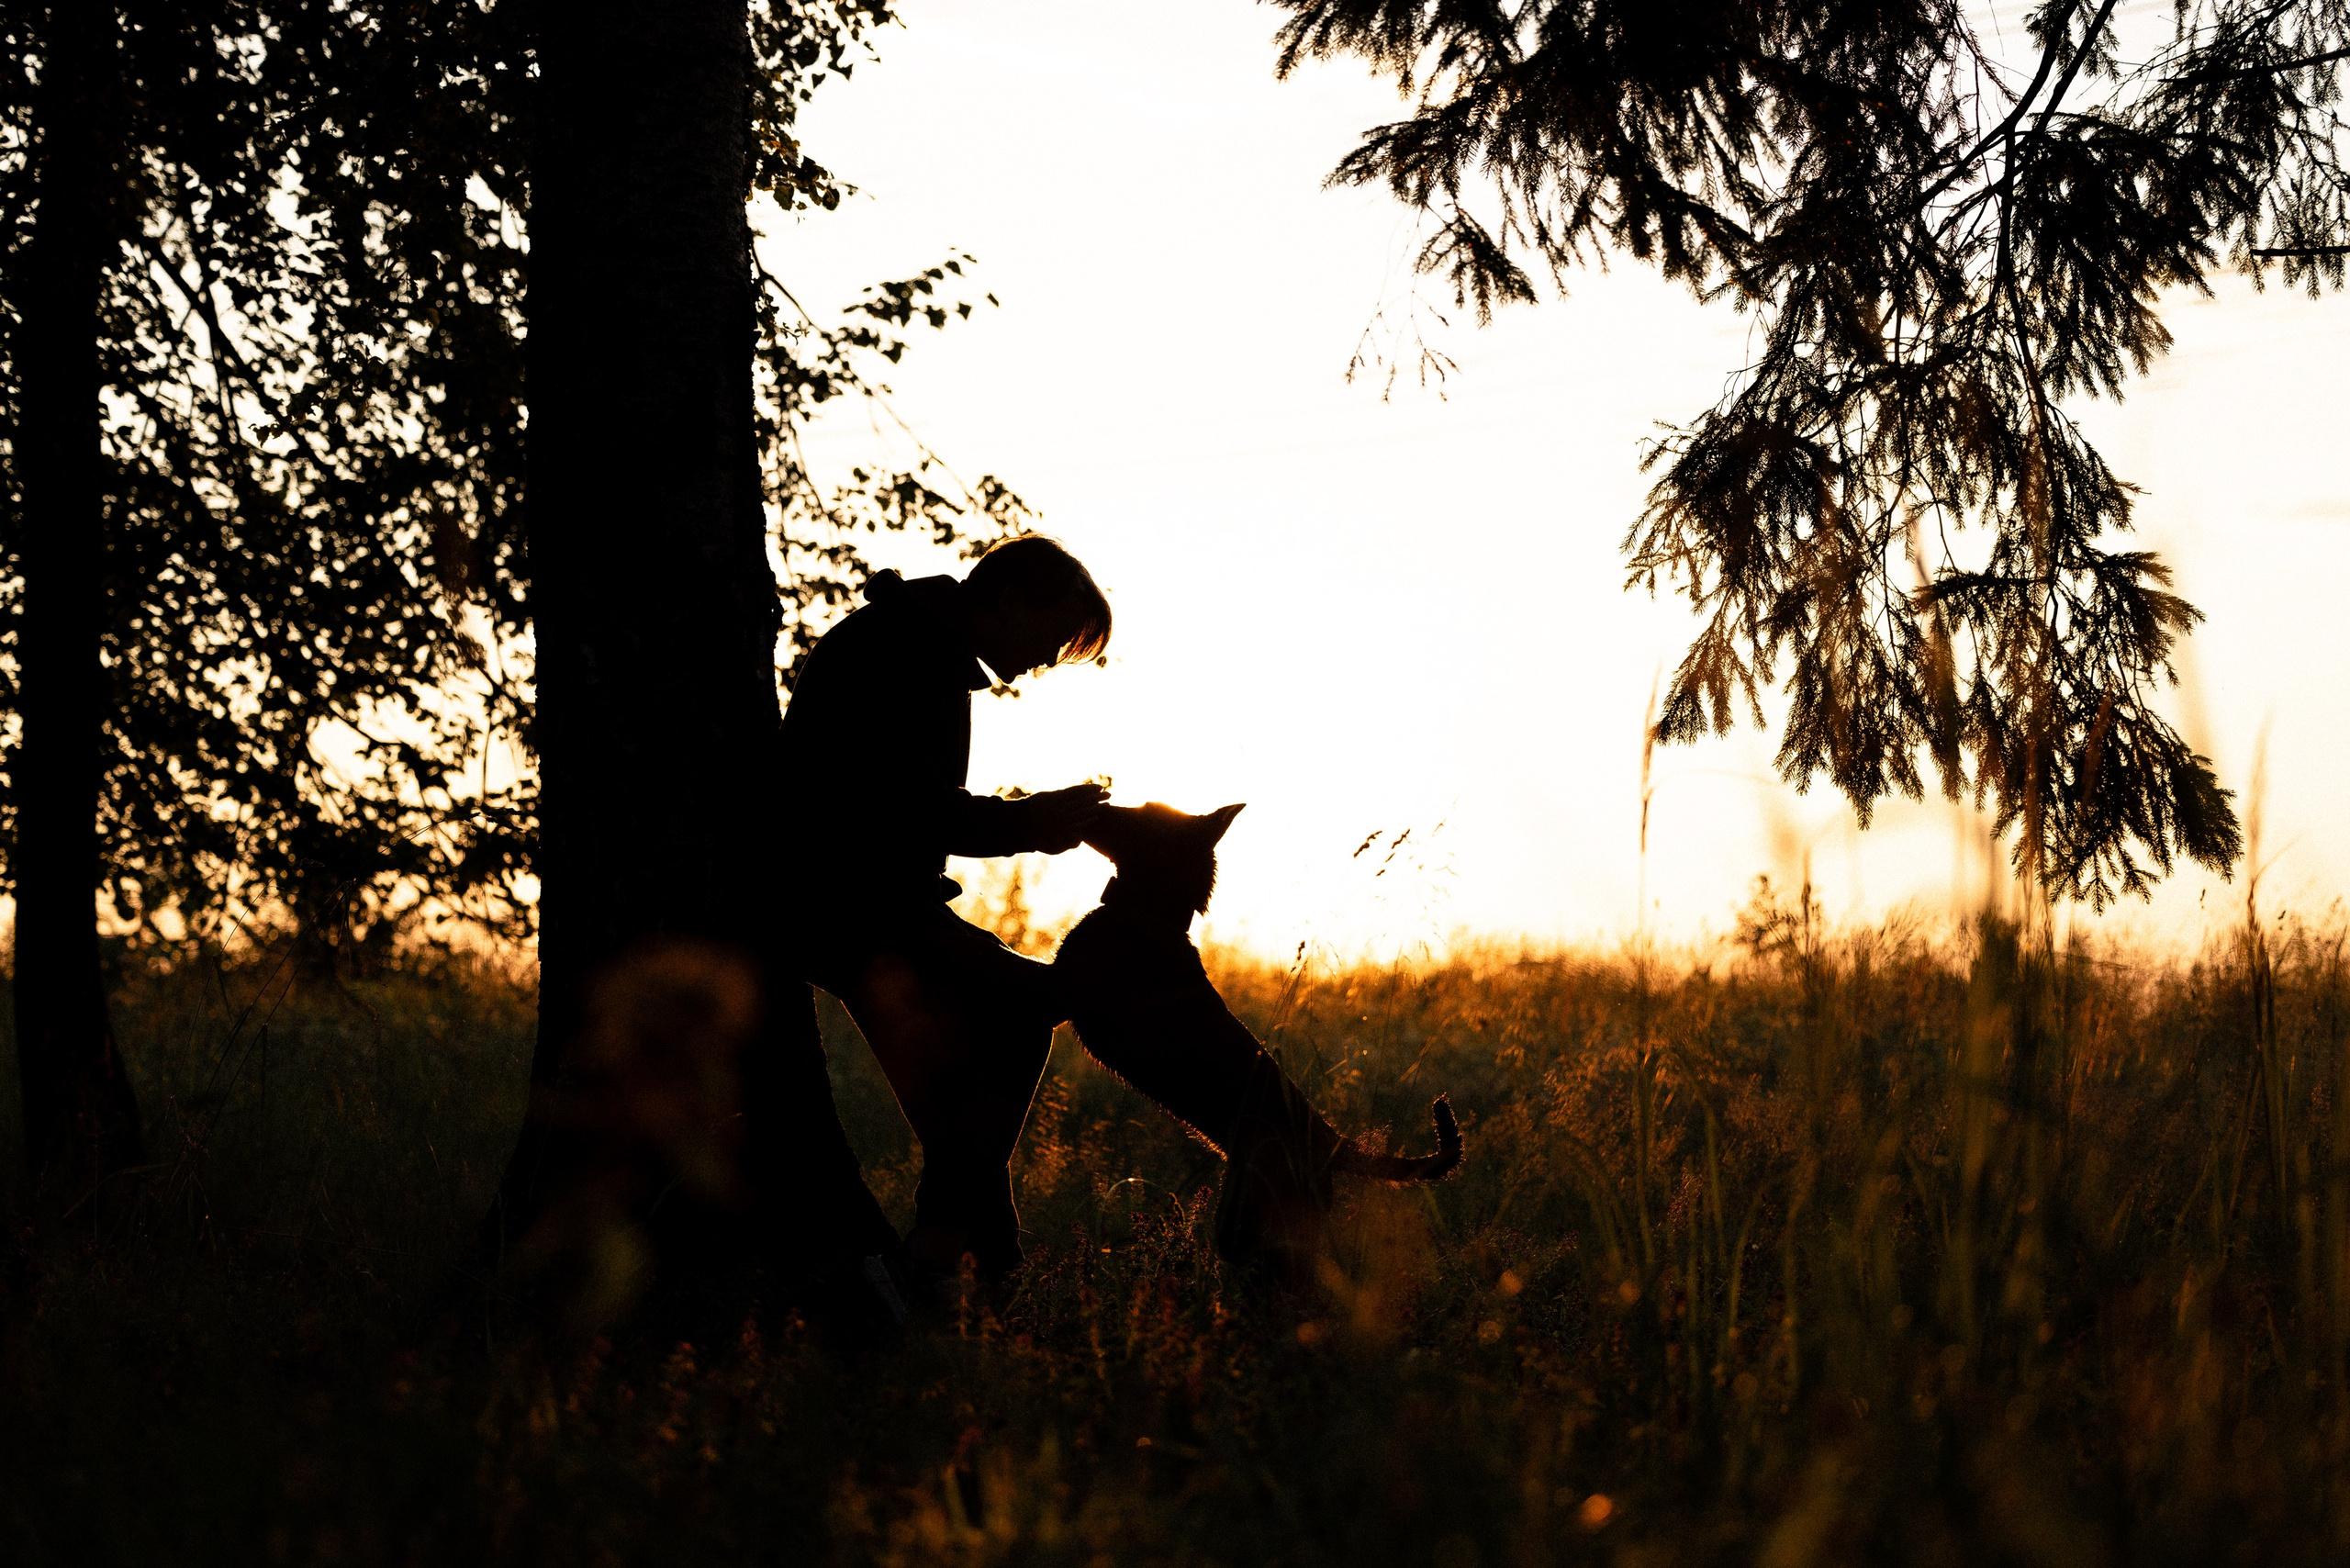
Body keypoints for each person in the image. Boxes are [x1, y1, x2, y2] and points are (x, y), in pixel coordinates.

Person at [778, 536, 1111, 1290]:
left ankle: (979, 1267)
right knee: (1029, 1007)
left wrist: (1032, 822)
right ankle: (937, 1257)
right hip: (847, 904)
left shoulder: (916, 647)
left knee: (959, 1090)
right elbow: (906, 811)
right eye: (1051, 636)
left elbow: (908, 810)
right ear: (1008, 601)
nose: (1046, 658)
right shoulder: (906, 654)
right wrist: (1032, 823)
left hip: (865, 899)